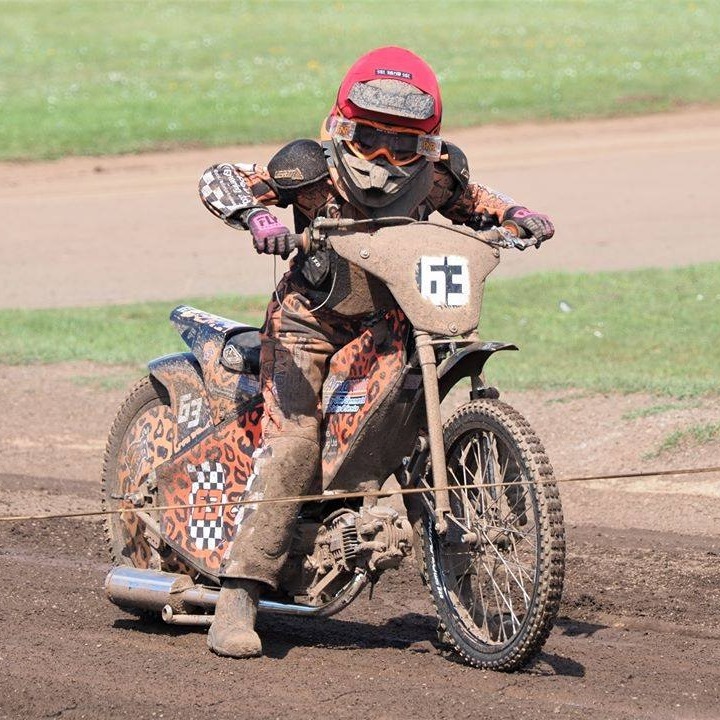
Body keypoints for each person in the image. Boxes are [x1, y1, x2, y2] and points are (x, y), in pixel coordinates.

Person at [197, 46, 554, 658]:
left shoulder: (436, 178)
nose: (385, 158)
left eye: (403, 145)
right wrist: (258, 218)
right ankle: (238, 596)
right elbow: (220, 179)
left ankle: (462, 593)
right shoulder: (311, 172)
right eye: (370, 139)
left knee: (411, 423)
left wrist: (519, 215)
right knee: (295, 444)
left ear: (428, 145)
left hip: (390, 326)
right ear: (342, 128)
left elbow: (481, 202)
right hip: (306, 326)